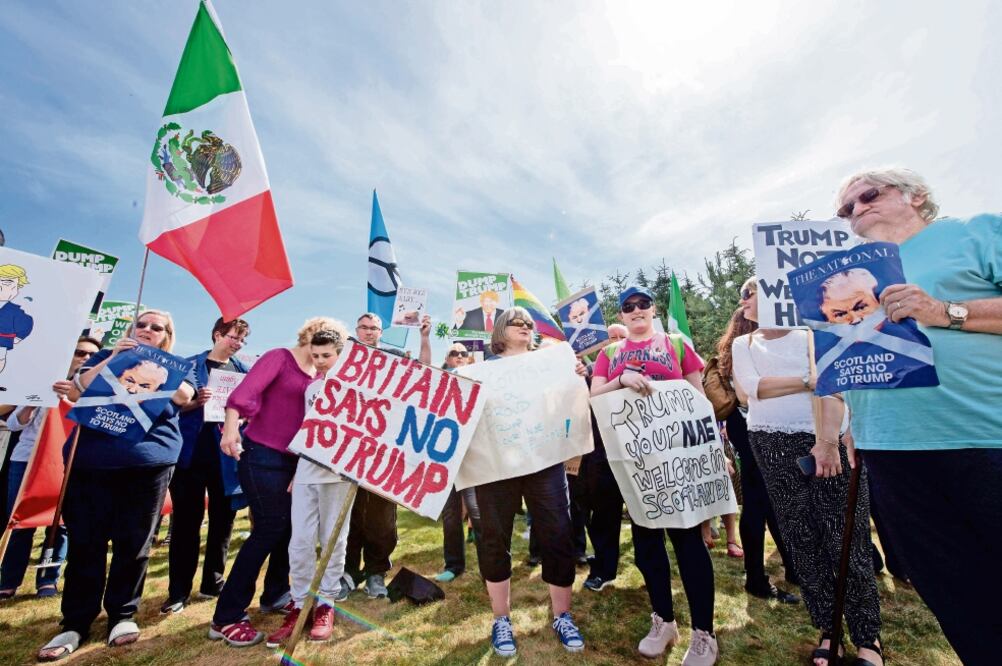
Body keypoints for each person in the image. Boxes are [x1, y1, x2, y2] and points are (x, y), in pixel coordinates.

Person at [835, 167, 1002, 665]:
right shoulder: (849, 275)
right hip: (891, 449)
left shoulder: (975, 232)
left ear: (916, 195)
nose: (856, 209)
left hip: (984, 436)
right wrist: (853, 419)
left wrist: (946, 312)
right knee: (957, 598)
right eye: (846, 208)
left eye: (868, 194)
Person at [732, 281, 882, 666]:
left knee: (843, 534)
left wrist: (831, 436)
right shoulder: (743, 344)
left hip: (824, 438)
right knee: (801, 536)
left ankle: (867, 635)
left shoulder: (814, 334)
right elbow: (751, 390)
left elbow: (837, 382)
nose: (742, 300)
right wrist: (805, 382)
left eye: (749, 292)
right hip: (769, 443)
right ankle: (829, 628)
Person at [36, 311, 195, 661]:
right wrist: (115, 359)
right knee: (85, 543)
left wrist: (156, 361)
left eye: (156, 327)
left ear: (167, 335)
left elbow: (185, 397)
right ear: (130, 329)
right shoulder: (106, 355)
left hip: (147, 464)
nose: (147, 330)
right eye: (141, 324)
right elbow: (75, 392)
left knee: (134, 543)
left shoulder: (177, 364)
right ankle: (75, 622)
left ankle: (122, 614)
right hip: (91, 463)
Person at [591, 285, 717, 665]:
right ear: (622, 314)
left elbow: (700, 401)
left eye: (643, 304)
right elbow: (594, 397)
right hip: (636, 466)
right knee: (647, 547)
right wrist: (621, 380)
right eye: (628, 306)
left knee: (688, 544)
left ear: (653, 308)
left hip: (677, 462)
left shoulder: (676, 344)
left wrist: (714, 450)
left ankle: (704, 633)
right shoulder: (609, 354)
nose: (636, 310)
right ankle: (664, 621)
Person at [209, 317, 336, 647]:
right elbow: (243, 394)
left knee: (291, 529)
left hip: (296, 463)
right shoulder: (279, 357)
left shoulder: (321, 377)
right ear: (309, 334)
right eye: (319, 337)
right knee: (269, 528)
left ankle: (276, 594)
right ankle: (226, 616)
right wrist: (230, 429)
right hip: (262, 455)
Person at [474, 306, 584, 657]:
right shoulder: (482, 371)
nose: (524, 326)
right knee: (494, 538)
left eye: (528, 323)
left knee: (558, 533)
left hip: (544, 461)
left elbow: (565, 403)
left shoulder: (549, 364)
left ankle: (562, 616)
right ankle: (501, 619)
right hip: (496, 467)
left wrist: (578, 376)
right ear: (500, 330)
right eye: (515, 322)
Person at [267, 324, 357, 647]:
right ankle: (299, 602)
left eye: (326, 355)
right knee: (300, 540)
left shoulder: (356, 388)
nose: (319, 361)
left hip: (340, 475)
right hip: (307, 471)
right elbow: (307, 430)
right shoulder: (311, 388)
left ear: (340, 355)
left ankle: (326, 603)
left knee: (333, 539)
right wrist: (297, 470)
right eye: (315, 355)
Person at [160, 318, 251, 615]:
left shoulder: (243, 372)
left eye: (242, 340)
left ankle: (213, 582)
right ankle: (178, 592)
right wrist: (194, 403)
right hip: (190, 455)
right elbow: (169, 407)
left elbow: (251, 409)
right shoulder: (188, 365)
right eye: (233, 337)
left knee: (223, 522)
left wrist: (241, 417)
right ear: (217, 335)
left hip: (226, 457)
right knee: (186, 523)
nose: (237, 344)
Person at [0, 336, 99, 601]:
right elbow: (14, 423)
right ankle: (9, 580)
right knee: (21, 520)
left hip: (69, 461)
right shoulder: (44, 382)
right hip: (28, 459)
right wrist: (37, 400)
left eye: (92, 355)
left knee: (61, 523)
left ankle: (48, 579)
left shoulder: (94, 389)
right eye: (80, 352)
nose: (85, 358)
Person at [711, 304, 799, 604]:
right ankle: (756, 578)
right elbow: (750, 394)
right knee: (758, 502)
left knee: (767, 500)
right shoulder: (749, 347)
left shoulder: (732, 351)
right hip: (753, 426)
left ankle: (792, 567)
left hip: (745, 427)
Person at [344, 312, 431, 599]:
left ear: (381, 332)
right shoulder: (346, 355)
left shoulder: (394, 357)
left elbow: (425, 373)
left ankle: (376, 572)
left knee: (381, 515)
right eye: (364, 327)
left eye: (374, 328)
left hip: (384, 449)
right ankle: (347, 571)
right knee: (350, 512)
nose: (369, 332)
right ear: (356, 329)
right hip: (349, 447)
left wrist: (424, 338)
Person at [433, 344, 481, 583]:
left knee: (478, 511)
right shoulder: (438, 380)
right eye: (454, 353)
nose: (460, 356)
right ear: (447, 358)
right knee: (451, 513)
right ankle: (453, 565)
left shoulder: (480, 378)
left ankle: (490, 565)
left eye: (464, 353)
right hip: (447, 456)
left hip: (473, 455)